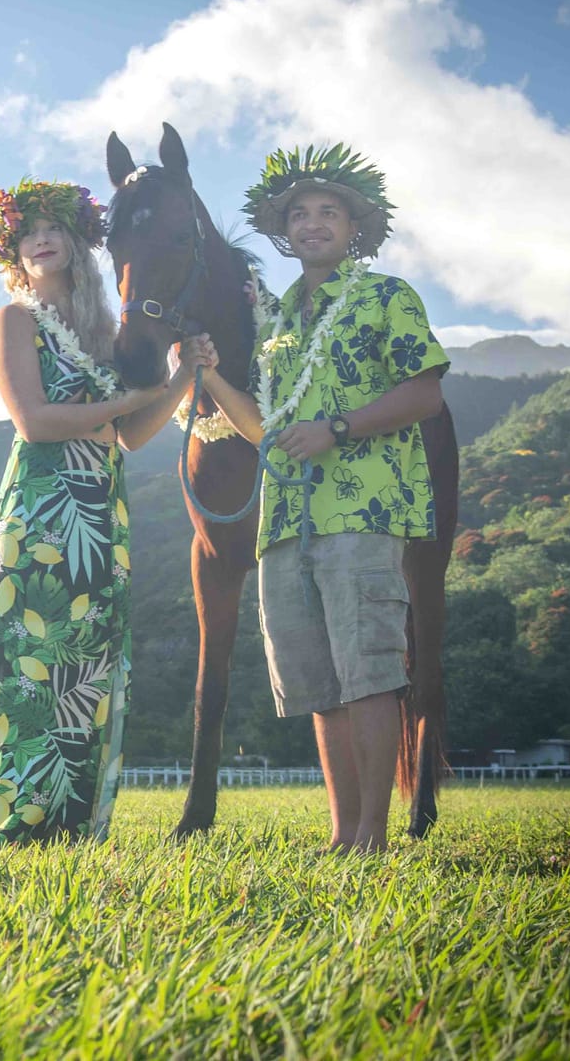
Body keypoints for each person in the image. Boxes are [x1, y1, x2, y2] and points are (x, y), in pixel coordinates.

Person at [0, 177, 213, 847]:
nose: (41, 237)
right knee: (26, 660)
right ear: (13, 251)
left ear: (76, 238)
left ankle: (66, 826)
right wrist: (124, 403)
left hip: (99, 517)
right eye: (27, 229)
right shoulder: (15, 321)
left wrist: (181, 379)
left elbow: (132, 437)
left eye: (52, 225)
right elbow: (34, 422)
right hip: (39, 514)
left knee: (83, 667)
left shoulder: (107, 330)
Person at [193, 145, 448, 853]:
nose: (312, 224)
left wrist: (337, 428)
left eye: (327, 212)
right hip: (283, 524)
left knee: (367, 673)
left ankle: (373, 836)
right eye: (299, 214)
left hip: (361, 512)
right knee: (315, 683)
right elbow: (269, 431)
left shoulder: (385, 296)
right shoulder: (280, 327)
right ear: (285, 232)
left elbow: (424, 390)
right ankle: (341, 835)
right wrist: (213, 379)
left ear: (354, 227)